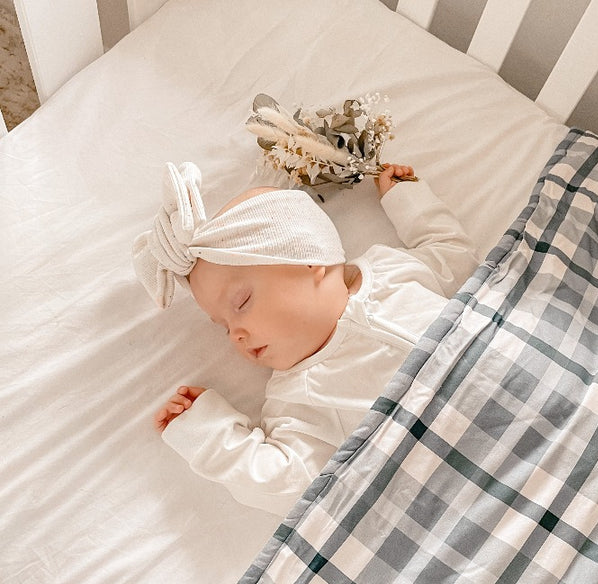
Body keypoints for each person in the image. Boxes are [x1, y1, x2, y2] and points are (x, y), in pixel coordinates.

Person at [133, 161, 478, 517]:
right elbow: (290, 482)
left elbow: (454, 256)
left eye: (242, 303)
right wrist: (209, 436)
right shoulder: (298, 394)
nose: (235, 334)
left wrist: (407, 199)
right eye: (222, 326)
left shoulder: (392, 270)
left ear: (309, 260)